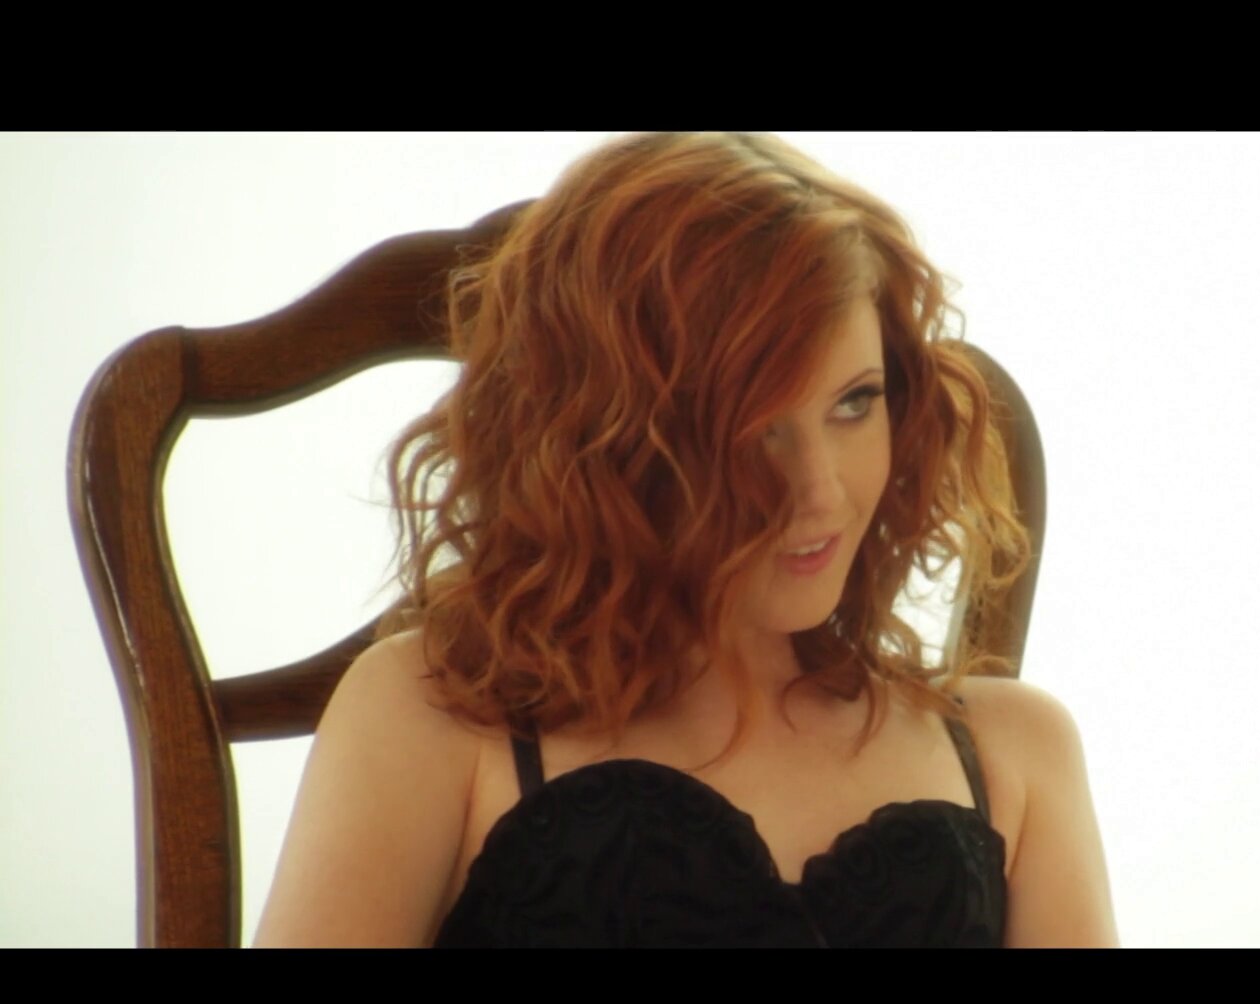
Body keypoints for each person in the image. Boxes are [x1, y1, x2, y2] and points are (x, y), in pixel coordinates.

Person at [253, 132, 1118, 947]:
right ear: (608, 442)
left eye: (855, 402)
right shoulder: (425, 719)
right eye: (756, 429)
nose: (821, 492)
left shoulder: (1016, 752)